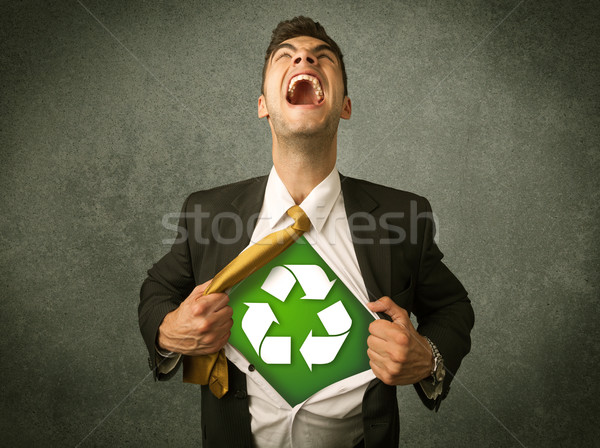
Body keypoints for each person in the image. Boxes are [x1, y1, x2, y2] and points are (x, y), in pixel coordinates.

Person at [139, 16, 474, 448]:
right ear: (263, 104)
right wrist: (168, 332)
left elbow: (452, 307)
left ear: (345, 105)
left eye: (323, 57)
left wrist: (428, 359)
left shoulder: (402, 216)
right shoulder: (207, 211)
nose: (304, 57)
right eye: (287, 56)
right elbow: (157, 290)